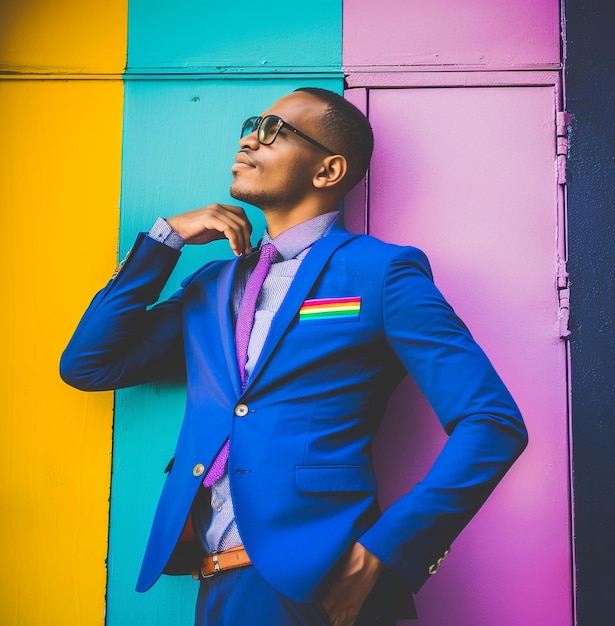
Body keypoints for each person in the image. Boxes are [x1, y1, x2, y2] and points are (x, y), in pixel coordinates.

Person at [60, 87, 528, 626]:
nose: (247, 139)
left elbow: (492, 423)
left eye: (271, 130)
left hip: (318, 585)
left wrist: (384, 553)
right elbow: (89, 364)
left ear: (327, 170)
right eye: (249, 125)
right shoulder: (212, 286)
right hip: (215, 582)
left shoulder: (381, 273)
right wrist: (165, 241)